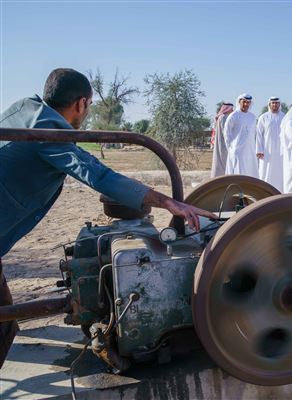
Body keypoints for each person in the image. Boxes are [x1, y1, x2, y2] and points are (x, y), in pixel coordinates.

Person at [0, 68, 216, 367]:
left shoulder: (25, 108)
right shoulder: (48, 130)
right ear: (82, 104)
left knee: (5, 318)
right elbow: (95, 172)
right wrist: (167, 202)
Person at [223, 93, 258, 177]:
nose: (246, 104)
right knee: (238, 173)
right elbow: (227, 134)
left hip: (250, 150)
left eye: (248, 102)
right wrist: (231, 148)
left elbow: (254, 134)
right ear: (239, 102)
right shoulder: (233, 116)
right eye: (244, 102)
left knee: (250, 172)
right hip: (237, 150)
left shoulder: (252, 117)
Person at [256, 97, 285, 191]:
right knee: (266, 170)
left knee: (280, 170)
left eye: (276, 103)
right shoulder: (263, 117)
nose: (275, 105)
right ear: (269, 104)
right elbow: (259, 135)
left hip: (281, 150)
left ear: (279, 104)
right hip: (267, 150)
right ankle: (265, 190)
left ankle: (280, 191)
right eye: (273, 103)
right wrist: (259, 150)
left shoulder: (284, 116)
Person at [210, 102, 234, 177]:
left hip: (223, 142)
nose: (233, 110)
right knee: (223, 160)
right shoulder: (223, 117)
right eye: (231, 108)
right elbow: (225, 131)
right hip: (223, 143)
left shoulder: (224, 117)